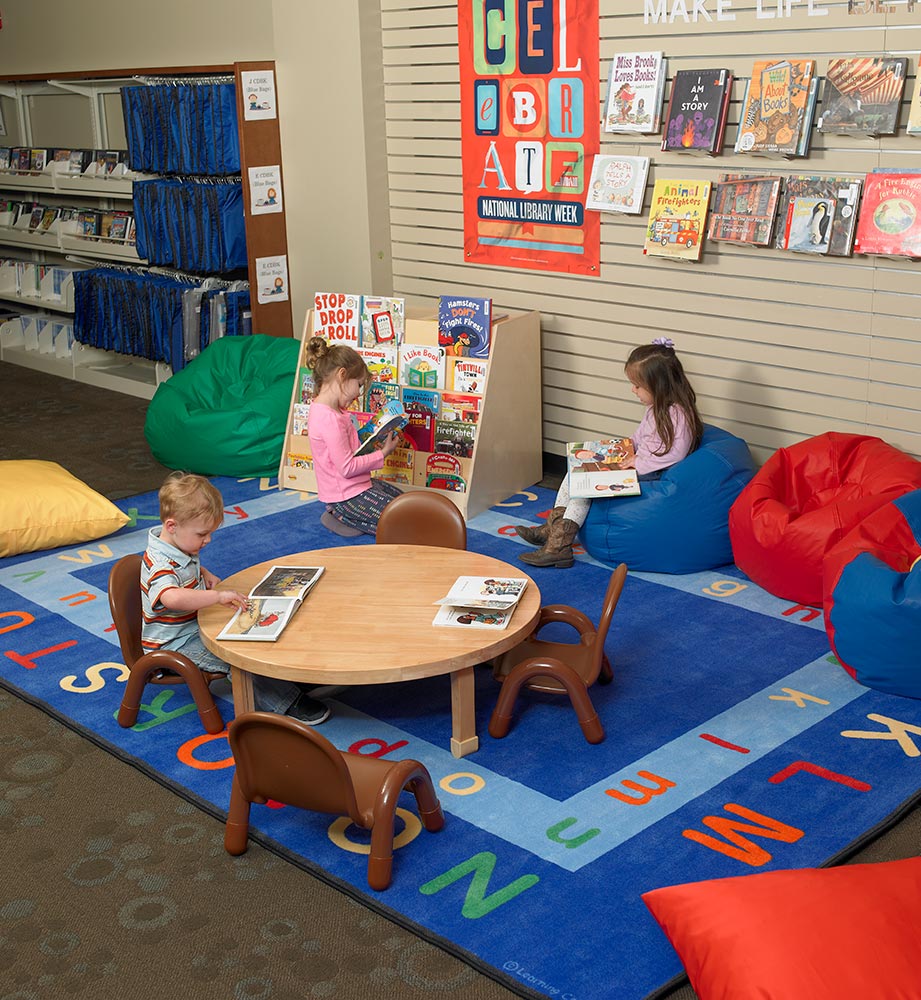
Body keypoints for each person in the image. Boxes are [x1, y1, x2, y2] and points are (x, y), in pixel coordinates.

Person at [141, 472, 330, 724]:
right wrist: (216, 596)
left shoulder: (178, 544)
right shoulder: (160, 562)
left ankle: (284, 681)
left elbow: (184, 569)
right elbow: (171, 597)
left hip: (194, 625)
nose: (207, 540)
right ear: (172, 526)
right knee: (237, 659)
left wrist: (203, 572)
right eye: (201, 534)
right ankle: (286, 701)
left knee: (253, 635)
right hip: (175, 642)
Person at [516, 338, 703, 569]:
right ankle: (552, 529)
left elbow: (674, 454)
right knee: (575, 471)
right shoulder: (656, 409)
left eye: (637, 385)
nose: (633, 390)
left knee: (584, 488)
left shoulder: (677, 416)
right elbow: (641, 438)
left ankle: (559, 547)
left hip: (651, 475)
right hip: (638, 466)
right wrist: (623, 448)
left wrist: (638, 462)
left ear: (659, 386)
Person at [305, 337, 401, 535]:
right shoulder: (329, 418)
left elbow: (346, 453)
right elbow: (347, 467)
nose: (358, 393)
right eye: (358, 385)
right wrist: (382, 454)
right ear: (342, 375)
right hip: (346, 496)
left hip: (356, 487)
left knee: (406, 503)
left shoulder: (331, 411)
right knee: (401, 519)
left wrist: (373, 438)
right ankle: (341, 516)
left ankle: (344, 516)